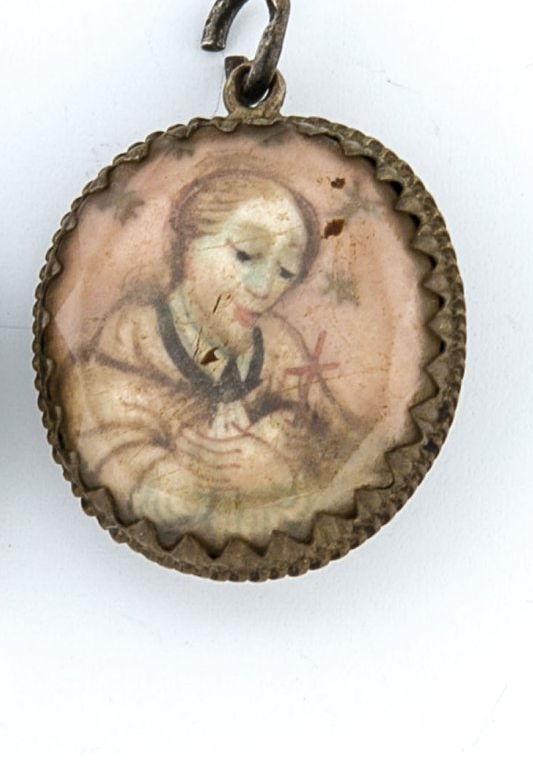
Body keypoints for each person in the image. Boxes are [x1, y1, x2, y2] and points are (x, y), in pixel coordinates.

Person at [61, 172, 361, 549]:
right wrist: (207, 476)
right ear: (189, 248)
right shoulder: (129, 344)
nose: (263, 288)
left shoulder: (280, 347)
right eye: (245, 255)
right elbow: (113, 463)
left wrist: (278, 453)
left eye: (286, 271)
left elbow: (343, 449)